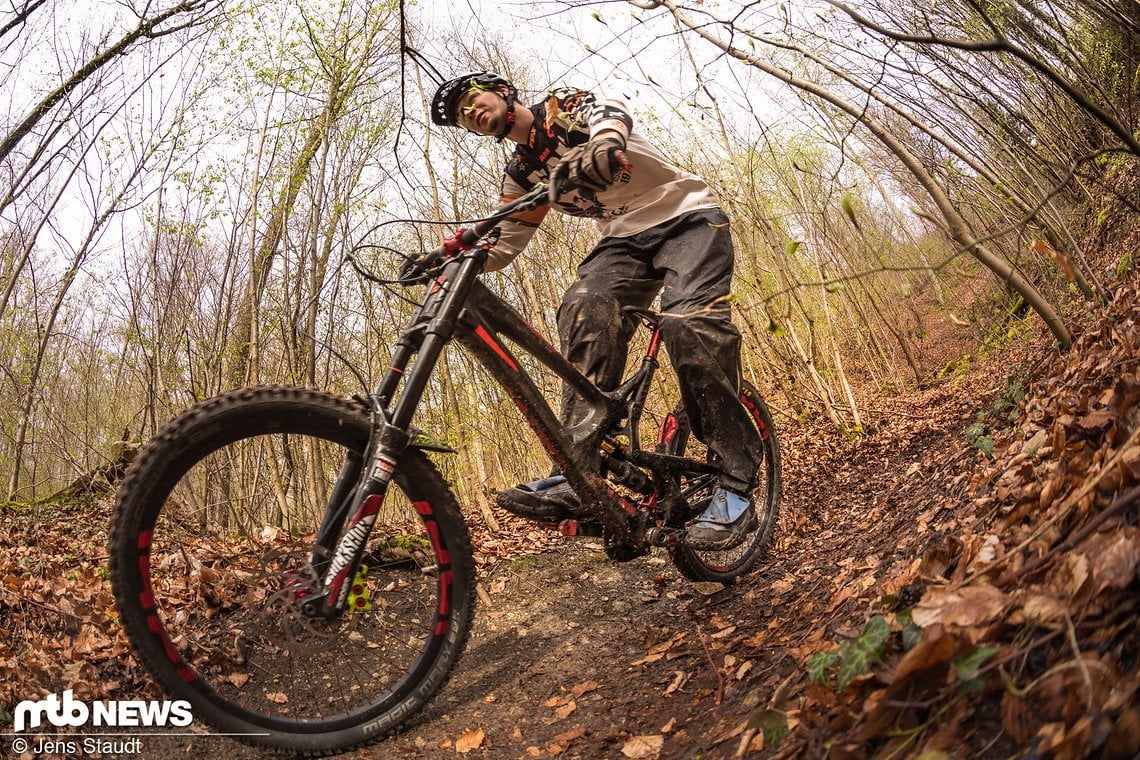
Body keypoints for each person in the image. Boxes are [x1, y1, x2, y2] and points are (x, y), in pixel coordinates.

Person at [429, 72, 762, 550]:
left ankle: (736, 478)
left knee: (687, 326)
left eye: (470, 100)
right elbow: (502, 243)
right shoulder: (524, 173)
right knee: (584, 306)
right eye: (462, 117)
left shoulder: (560, 110)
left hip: (686, 218)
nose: (470, 114)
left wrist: (605, 141)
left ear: (502, 92)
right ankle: (580, 471)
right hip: (622, 241)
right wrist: (444, 259)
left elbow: (609, 107)